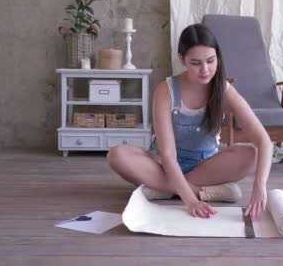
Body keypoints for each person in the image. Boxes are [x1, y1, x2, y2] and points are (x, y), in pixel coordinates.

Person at [107, 23, 273, 219]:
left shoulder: (224, 90)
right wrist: (190, 199)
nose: (205, 69)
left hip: (204, 168)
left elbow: (264, 141)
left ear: (217, 57)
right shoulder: (165, 90)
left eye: (211, 61)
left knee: (250, 155)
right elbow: (168, 155)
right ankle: (200, 191)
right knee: (117, 154)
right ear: (182, 60)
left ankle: (163, 189)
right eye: (195, 63)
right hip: (163, 164)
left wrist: (260, 185)